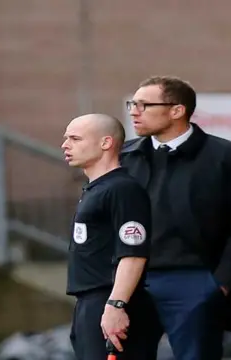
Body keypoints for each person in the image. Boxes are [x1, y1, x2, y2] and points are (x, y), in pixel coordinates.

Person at [121, 76, 231, 359]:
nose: (134, 111)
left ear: (177, 110)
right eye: (133, 104)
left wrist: (222, 283)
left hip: (195, 281)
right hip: (130, 281)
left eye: (143, 104)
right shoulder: (124, 158)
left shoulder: (226, 156)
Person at [62, 113, 157, 360]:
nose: (65, 145)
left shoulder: (122, 189)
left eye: (75, 138)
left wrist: (116, 305)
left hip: (110, 301)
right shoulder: (96, 189)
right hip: (88, 303)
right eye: (65, 138)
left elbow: (134, 253)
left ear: (106, 143)